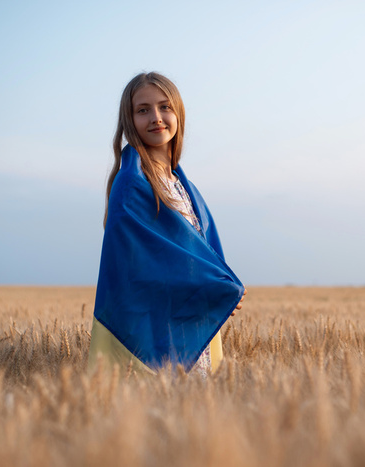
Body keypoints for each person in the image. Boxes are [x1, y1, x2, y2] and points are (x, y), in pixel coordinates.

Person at [88, 72, 246, 378]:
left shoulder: (182, 185)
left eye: (165, 107)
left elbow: (197, 251)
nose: (156, 117)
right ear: (129, 120)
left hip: (191, 323)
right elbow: (138, 264)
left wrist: (220, 284)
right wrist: (208, 285)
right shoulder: (132, 183)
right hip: (156, 329)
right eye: (143, 110)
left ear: (179, 114)